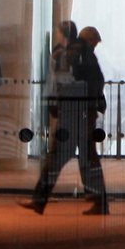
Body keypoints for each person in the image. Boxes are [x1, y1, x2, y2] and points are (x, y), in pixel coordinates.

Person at [23, 20, 94, 214]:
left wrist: (58, 102)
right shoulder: (81, 53)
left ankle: (39, 199)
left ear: (62, 36)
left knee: (57, 157)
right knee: (87, 157)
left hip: (70, 112)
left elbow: (65, 82)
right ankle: (98, 198)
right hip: (80, 111)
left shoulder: (69, 55)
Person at [76, 26, 109, 214]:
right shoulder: (87, 55)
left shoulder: (80, 54)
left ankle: (95, 193)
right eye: (95, 43)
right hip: (87, 109)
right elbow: (98, 80)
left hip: (80, 109)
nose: (95, 47)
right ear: (90, 40)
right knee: (88, 151)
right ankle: (95, 193)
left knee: (84, 152)